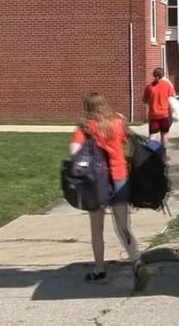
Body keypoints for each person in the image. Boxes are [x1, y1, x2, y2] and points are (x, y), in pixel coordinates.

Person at [69, 92, 149, 290]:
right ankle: (136, 261)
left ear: (87, 107)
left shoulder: (85, 127)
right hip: (120, 177)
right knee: (123, 225)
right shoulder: (118, 123)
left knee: (97, 229)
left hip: (96, 182)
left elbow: (73, 151)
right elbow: (126, 141)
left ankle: (99, 270)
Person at [143, 67, 176, 148]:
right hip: (165, 114)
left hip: (153, 115)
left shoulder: (149, 87)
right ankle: (163, 153)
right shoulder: (167, 85)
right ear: (162, 75)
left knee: (153, 135)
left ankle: (151, 154)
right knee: (164, 134)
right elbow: (172, 96)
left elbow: (144, 100)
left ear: (154, 75)